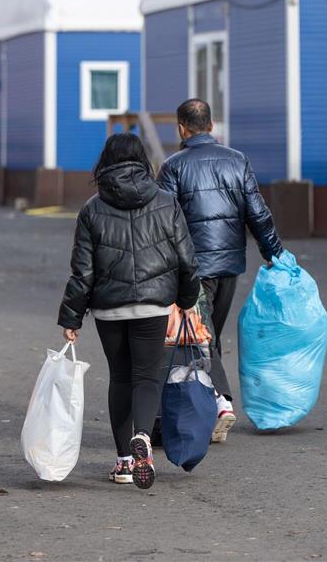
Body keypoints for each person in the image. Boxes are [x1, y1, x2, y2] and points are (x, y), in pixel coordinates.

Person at [59, 133, 199, 490]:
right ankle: (143, 438)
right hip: (154, 305)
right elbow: (187, 261)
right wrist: (186, 300)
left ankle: (124, 462)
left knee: (120, 378)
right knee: (147, 377)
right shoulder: (166, 202)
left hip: (109, 308)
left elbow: (83, 271)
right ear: (142, 160)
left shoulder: (92, 208)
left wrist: (71, 317)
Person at [157, 99, 283, 443]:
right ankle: (211, 403)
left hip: (193, 267)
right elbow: (258, 212)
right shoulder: (238, 161)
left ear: (182, 128)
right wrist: (274, 253)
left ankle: (221, 402)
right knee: (208, 335)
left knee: (202, 337)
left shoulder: (173, 166)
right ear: (211, 126)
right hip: (230, 265)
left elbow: (163, 220)